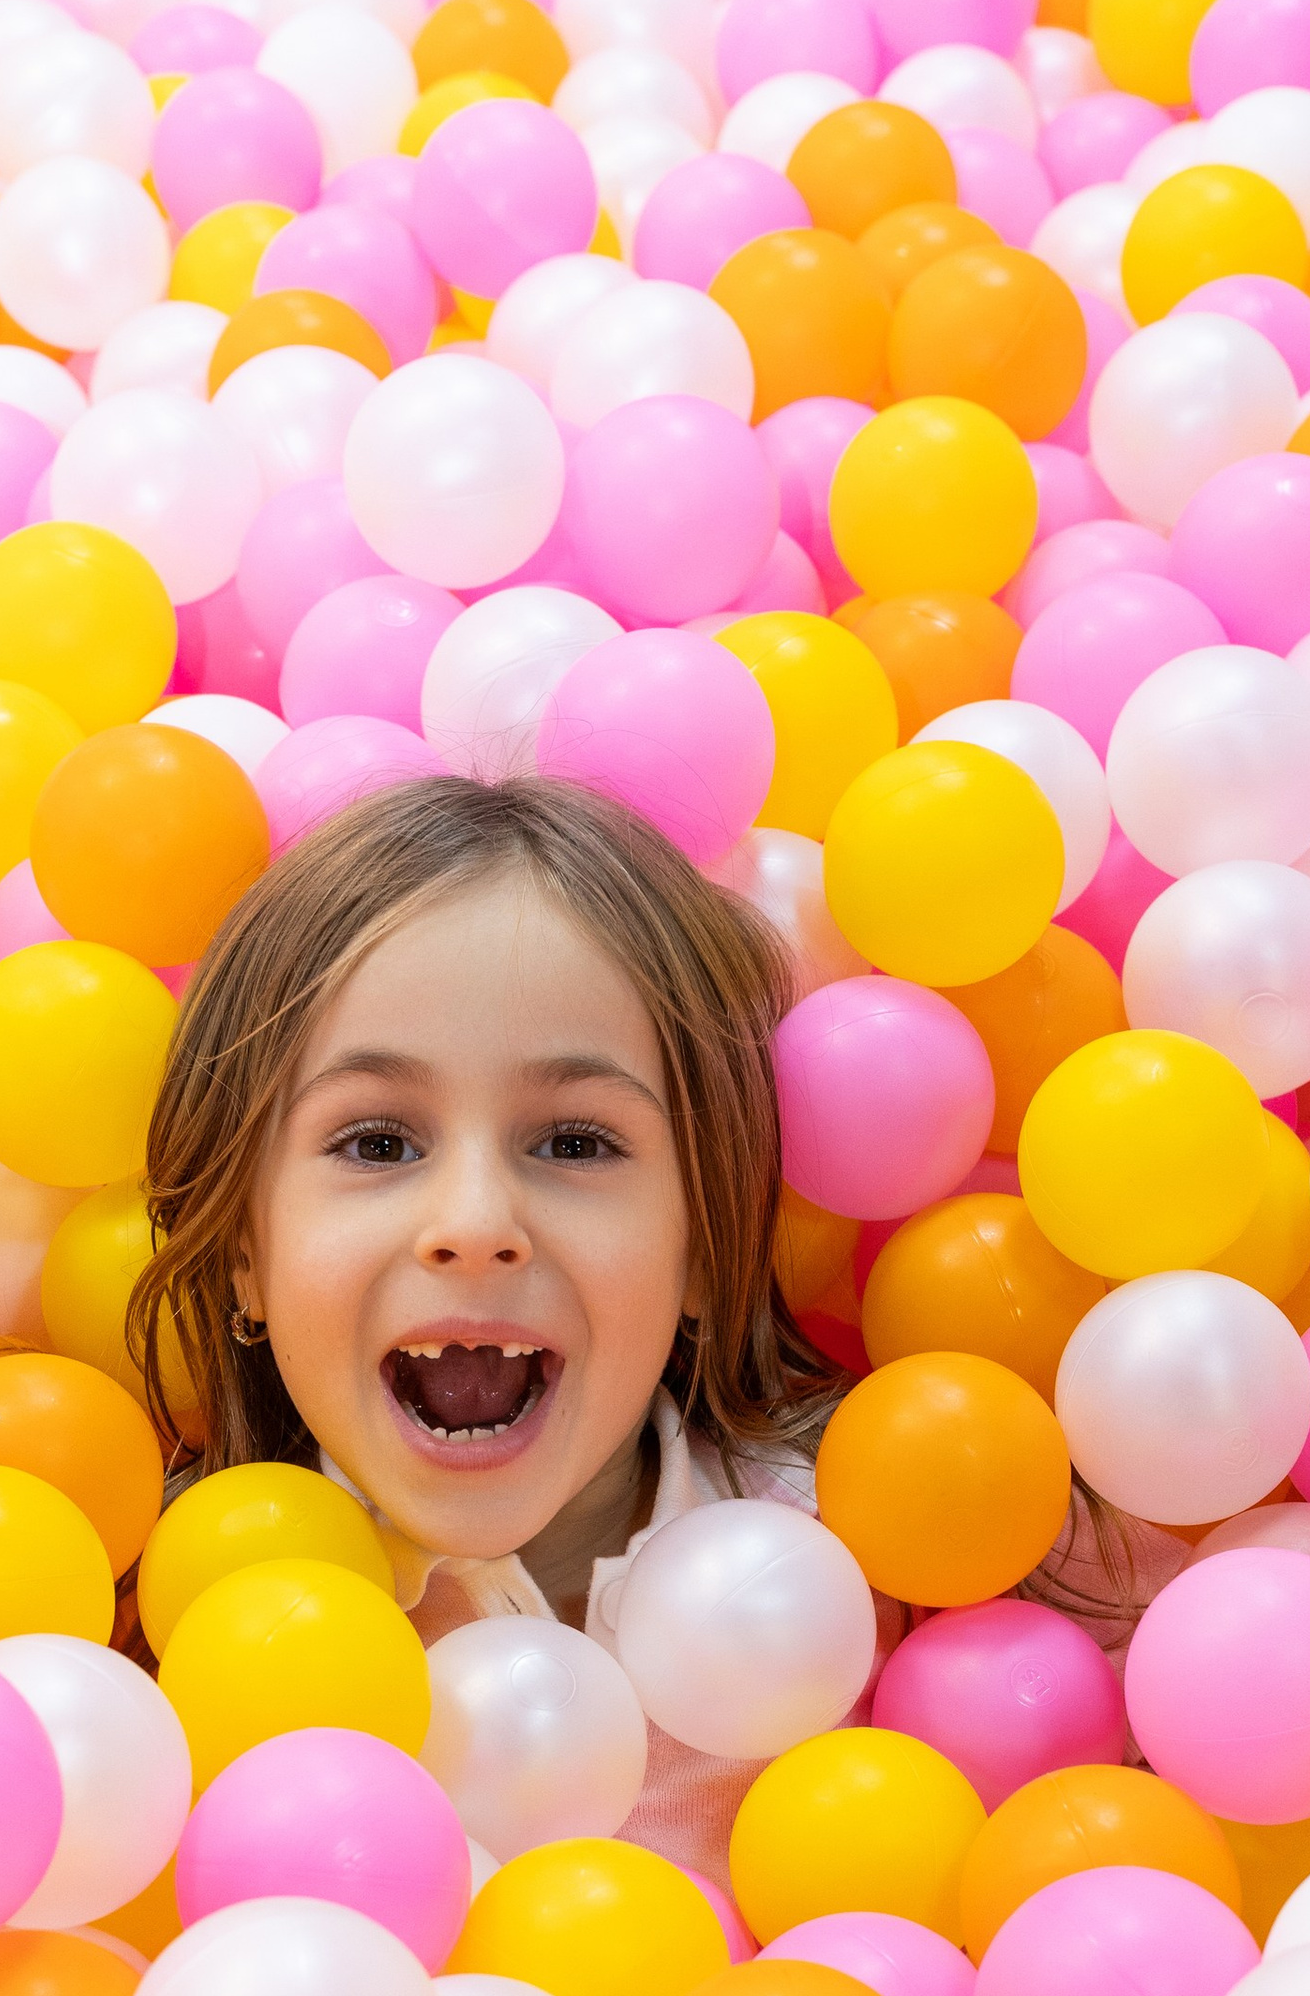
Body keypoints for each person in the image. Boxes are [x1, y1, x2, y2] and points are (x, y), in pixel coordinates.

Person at [132, 770, 1159, 1876]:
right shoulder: (158, 1666)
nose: (474, 1225)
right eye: (377, 1143)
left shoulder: (890, 1584)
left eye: (574, 1143)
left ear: (705, 1250)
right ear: (246, 1254)